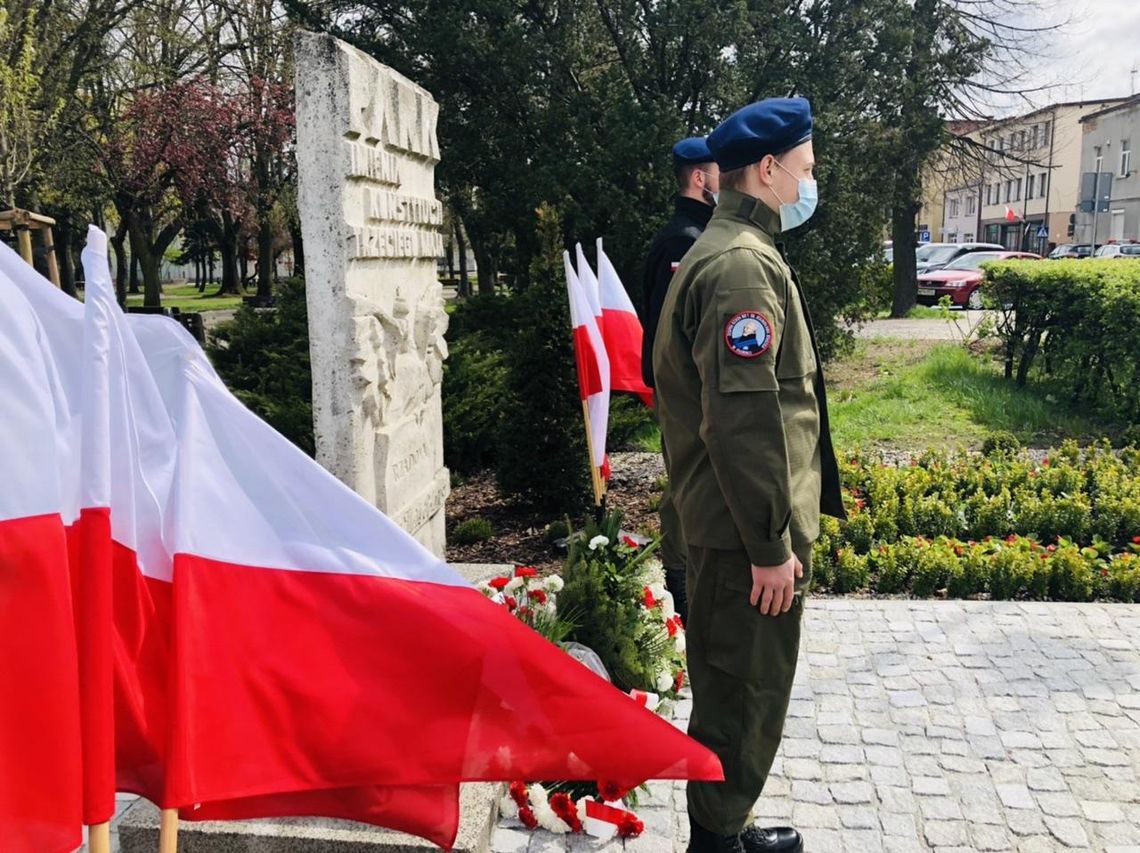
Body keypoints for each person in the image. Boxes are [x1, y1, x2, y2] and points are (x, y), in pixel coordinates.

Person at [652, 97, 845, 853]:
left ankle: (723, 826)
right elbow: (743, 421)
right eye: (803, 169)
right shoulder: (740, 266)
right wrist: (771, 544)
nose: (807, 184)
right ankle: (716, 841)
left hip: (728, 524)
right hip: (743, 536)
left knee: (732, 684)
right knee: (742, 690)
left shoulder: (732, 248)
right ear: (767, 169)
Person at [640, 136, 720, 625]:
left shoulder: (695, 234)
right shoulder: (683, 241)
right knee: (687, 487)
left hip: (689, 392)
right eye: (717, 171)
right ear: (698, 178)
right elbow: (677, 334)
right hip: (684, 393)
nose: (724, 180)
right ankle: (681, 589)